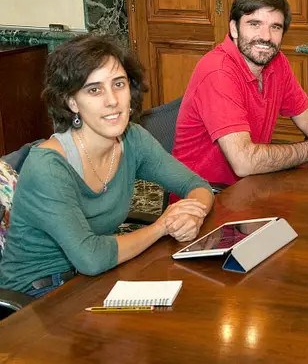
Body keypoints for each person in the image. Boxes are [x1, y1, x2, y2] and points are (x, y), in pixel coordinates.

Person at [0, 35, 214, 297]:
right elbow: (91, 258)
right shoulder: (48, 168)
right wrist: (161, 227)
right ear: (72, 102)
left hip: (96, 280)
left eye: (119, 84)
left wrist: (193, 214)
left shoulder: (132, 139)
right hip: (37, 300)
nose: (112, 100)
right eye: (94, 89)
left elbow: (196, 185)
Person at [173, 0, 308, 185]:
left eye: (275, 27)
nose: (266, 37)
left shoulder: (276, 61)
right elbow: (244, 162)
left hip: (250, 186)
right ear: (234, 29)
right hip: (204, 199)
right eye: (254, 24)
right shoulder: (218, 71)